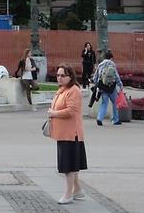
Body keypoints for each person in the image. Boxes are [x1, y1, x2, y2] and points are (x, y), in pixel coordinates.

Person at [48, 65, 88, 205]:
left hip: (71, 134)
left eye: (62, 75)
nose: (59, 78)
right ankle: (77, 190)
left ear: (70, 76)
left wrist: (53, 113)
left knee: (69, 167)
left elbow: (71, 111)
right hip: (63, 133)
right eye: (58, 75)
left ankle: (68, 194)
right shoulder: (62, 90)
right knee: (70, 163)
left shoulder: (74, 90)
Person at [92, 50, 122, 126]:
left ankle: (99, 118)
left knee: (104, 103)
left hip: (103, 86)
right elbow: (116, 76)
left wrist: (97, 84)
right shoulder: (112, 64)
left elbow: (95, 77)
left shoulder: (100, 64)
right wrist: (120, 85)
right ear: (111, 58)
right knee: (115, 103)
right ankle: (115, 119)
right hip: (112, 87)